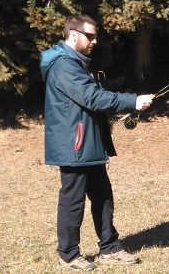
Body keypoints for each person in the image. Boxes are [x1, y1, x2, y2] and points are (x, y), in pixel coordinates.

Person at [40, 14, 154, 271]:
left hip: (89, 143)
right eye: (89, 36)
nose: (94, 41)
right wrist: (132, 101)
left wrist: (123, 107)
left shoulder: (78, 64)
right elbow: (92, 98)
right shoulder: (63, 66)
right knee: (73, 201)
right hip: (74, 146)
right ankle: (68, 254)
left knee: (103, 197)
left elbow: (92, 101)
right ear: (73, 35)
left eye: (95, 36)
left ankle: (109, 248)